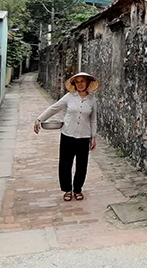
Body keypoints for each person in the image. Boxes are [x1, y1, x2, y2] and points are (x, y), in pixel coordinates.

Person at [33, 72, 99, 201]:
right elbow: (54, 108)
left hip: (84, 136)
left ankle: (78, 189)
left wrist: (93, 137)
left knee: (82, 165)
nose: (80, 84)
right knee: (65, 164)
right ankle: (67, 189)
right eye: (77, 82)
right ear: (74, 84)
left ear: (88, 82)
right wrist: (39, 119)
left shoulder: (92, 100)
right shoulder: (69, 97)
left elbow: (93, 120)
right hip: (67, 135)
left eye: (82, 81)